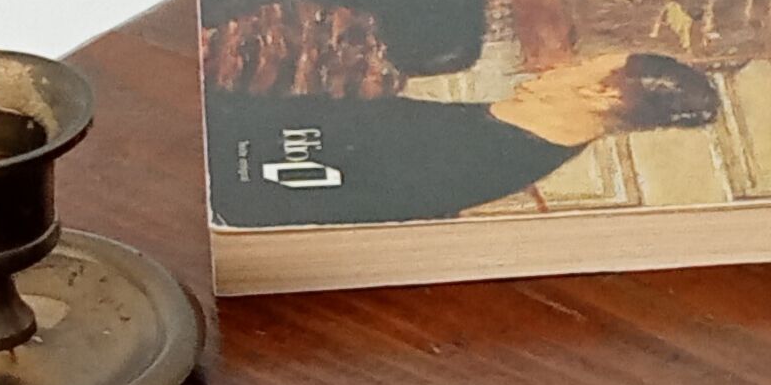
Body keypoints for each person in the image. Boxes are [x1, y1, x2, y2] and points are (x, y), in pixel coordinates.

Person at [203, 49, 721, 227]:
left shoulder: (487, 156)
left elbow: (258, 181)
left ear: (601, 96)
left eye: (578, 68)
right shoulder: (513, 133)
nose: (557, 68)